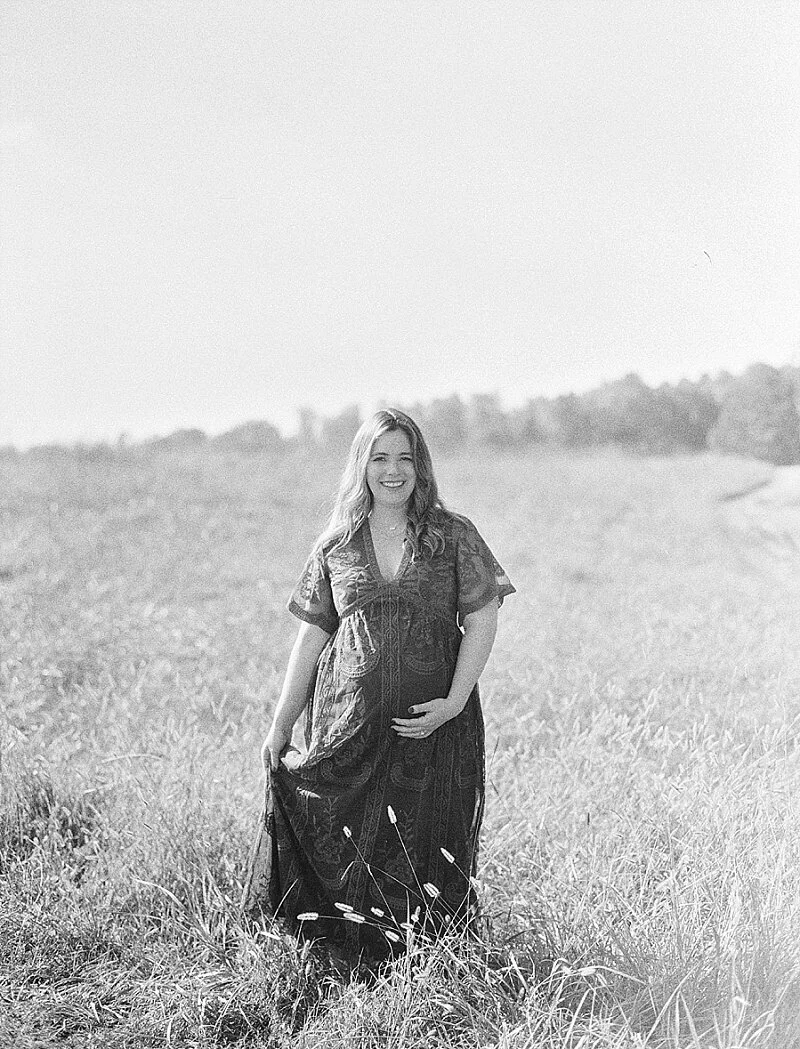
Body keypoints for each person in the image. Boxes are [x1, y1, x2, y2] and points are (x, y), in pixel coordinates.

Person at [242, 409, 515, 964]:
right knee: (339, 828)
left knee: (427, 837)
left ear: (421, 466)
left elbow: (483, 619)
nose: (394, 471)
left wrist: (454, 702)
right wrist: (281, 723)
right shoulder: (336, 545)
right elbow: (311, 639)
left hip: (434, 723)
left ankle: (430, 962)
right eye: (380, 458)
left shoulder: (453, 535)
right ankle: (350, 952)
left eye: (405, 458)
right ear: (361, 466)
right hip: (349, 726)